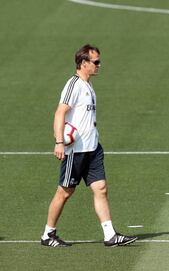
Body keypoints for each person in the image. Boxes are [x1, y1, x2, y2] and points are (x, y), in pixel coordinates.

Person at [41, 44, 137, 247]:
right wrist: (59, 142)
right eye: (95, 62)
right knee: (65, 192)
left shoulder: (88, 85)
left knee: (101, 188)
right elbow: (60, 113)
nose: (99, 65)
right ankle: (48, 234)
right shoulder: (74, 85)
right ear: (84, 63)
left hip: (93, 149)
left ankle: (110, 235)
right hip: (76, 152)